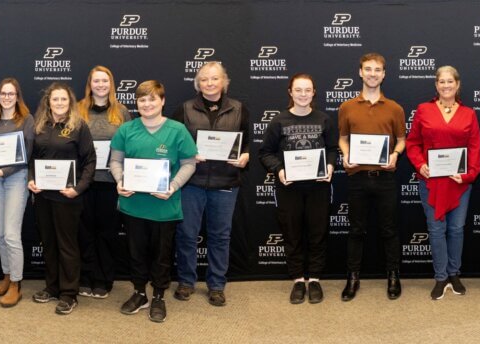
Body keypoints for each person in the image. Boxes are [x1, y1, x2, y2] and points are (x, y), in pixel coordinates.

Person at [110, 80, 198, 323]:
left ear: (162, 101)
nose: (147, 104)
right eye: (142, 100)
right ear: (136, 103)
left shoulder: (177, 130)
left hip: (164, 206)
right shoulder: (126, 130)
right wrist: (119, 180)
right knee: (136, 254)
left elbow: (189, 163)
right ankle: (140, 293)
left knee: (161, 256)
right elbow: (115, 161)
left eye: (152, 99)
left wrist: (173, 186)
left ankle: (159, 296)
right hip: (133, 205)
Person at [169, 62, 250, 306]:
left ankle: (216, 285)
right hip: (192, 181)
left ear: (224, 81)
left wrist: (245, 156)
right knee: (186, 234)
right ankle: (186, 281)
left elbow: (245, 143)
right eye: (204, 79)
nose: (210, 83)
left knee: (220, 236)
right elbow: (174, 144)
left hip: (226, 182)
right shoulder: (184, 109)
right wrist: (188, 155)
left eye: (214, 79)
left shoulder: (239, 109)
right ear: (198, 83)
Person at [258, 73, 339, 304]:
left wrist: (331, 165)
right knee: (292, 234)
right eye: (298, 90)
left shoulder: (324, 119)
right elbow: (265, 153)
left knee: (317, 233)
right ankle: (297, 280)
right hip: (289, 188)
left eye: (307, 90)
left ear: (314, 93)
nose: (303, 94)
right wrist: (279, 170)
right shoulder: (279, 121)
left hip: (318, 187)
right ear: (290, 92)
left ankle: (314, 279)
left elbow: (333, 148)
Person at [406, 65, 480, 301]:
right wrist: (420, 165)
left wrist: (468, 174)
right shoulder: (423, 110)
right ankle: (440, 277)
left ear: (457, 85)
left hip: (459, 182)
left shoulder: (469, 113)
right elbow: (412, 143)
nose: (446, 85)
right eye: (442, 82)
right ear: (436, 85)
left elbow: (475, 148)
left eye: (451, 81)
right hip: (431, 181)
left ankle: (454, 273)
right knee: (436, 229)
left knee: (457, 229)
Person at [337, 52, 406, 301]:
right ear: (360, 72)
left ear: (384, 74)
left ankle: (393, 276)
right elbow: (343, 138)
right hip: (357, 178)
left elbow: (401, 140)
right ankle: (352, 278)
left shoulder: (395, 108)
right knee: (356, 230)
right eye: (368, 69)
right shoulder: (346, 107)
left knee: (389, 230)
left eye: (377, 70)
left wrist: (396, 154)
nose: (372, 74)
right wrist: (345, 156)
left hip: (385, 177)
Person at [27, 83, 96, 315]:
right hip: (44, 196)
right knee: (49, 243)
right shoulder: (40, 126)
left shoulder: (79, 127)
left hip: (68, 197)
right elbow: (33, 159)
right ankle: (52, 287)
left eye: (63, 100)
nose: (58, 103)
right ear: (48, 102)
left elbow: (89, 162)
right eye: (54, 100)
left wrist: (78, 189)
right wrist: (31, 179)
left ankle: (69, 293)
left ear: (70, 103)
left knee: (67, 245)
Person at [77, 66, 132, 299]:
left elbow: (130, 145)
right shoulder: (77, 109)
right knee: (84, 232)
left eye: (105, 81)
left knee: (107, 233)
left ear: (111, 84)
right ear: (89, 84)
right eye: (96, 81)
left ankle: (103, 279)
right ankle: (86, 277)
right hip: (84, 181)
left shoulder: (122, 111)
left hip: (111, 181)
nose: (100, 85)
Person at [0, 78, 35, 308]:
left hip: (16, 178)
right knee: (1, 233)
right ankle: (6, 276)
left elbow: (26, 154)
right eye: (3, 93)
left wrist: (2, 171)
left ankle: (16, 283)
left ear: (17, 96)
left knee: (12, 234)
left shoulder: (26, 120)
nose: (7, 97)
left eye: (11, 94)